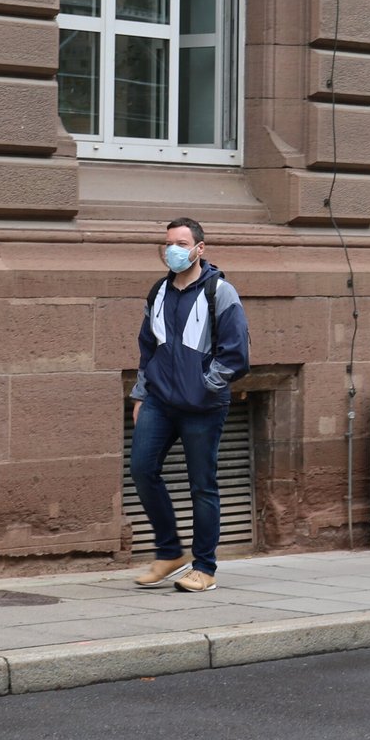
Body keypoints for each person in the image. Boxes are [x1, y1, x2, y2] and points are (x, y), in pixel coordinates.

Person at [130, 217, 251, 592]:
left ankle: (204, 568)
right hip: (159, 402)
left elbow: (236, 356)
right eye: (168, 243)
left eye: (182, 243)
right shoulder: (159, 291)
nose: (173, 250)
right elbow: (148, 347)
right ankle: (170, 553)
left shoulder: (220, 292)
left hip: (202, 407)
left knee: (203, 486)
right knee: (141, 469)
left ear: (200, 248)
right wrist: (140, 394)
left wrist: (203, 387)